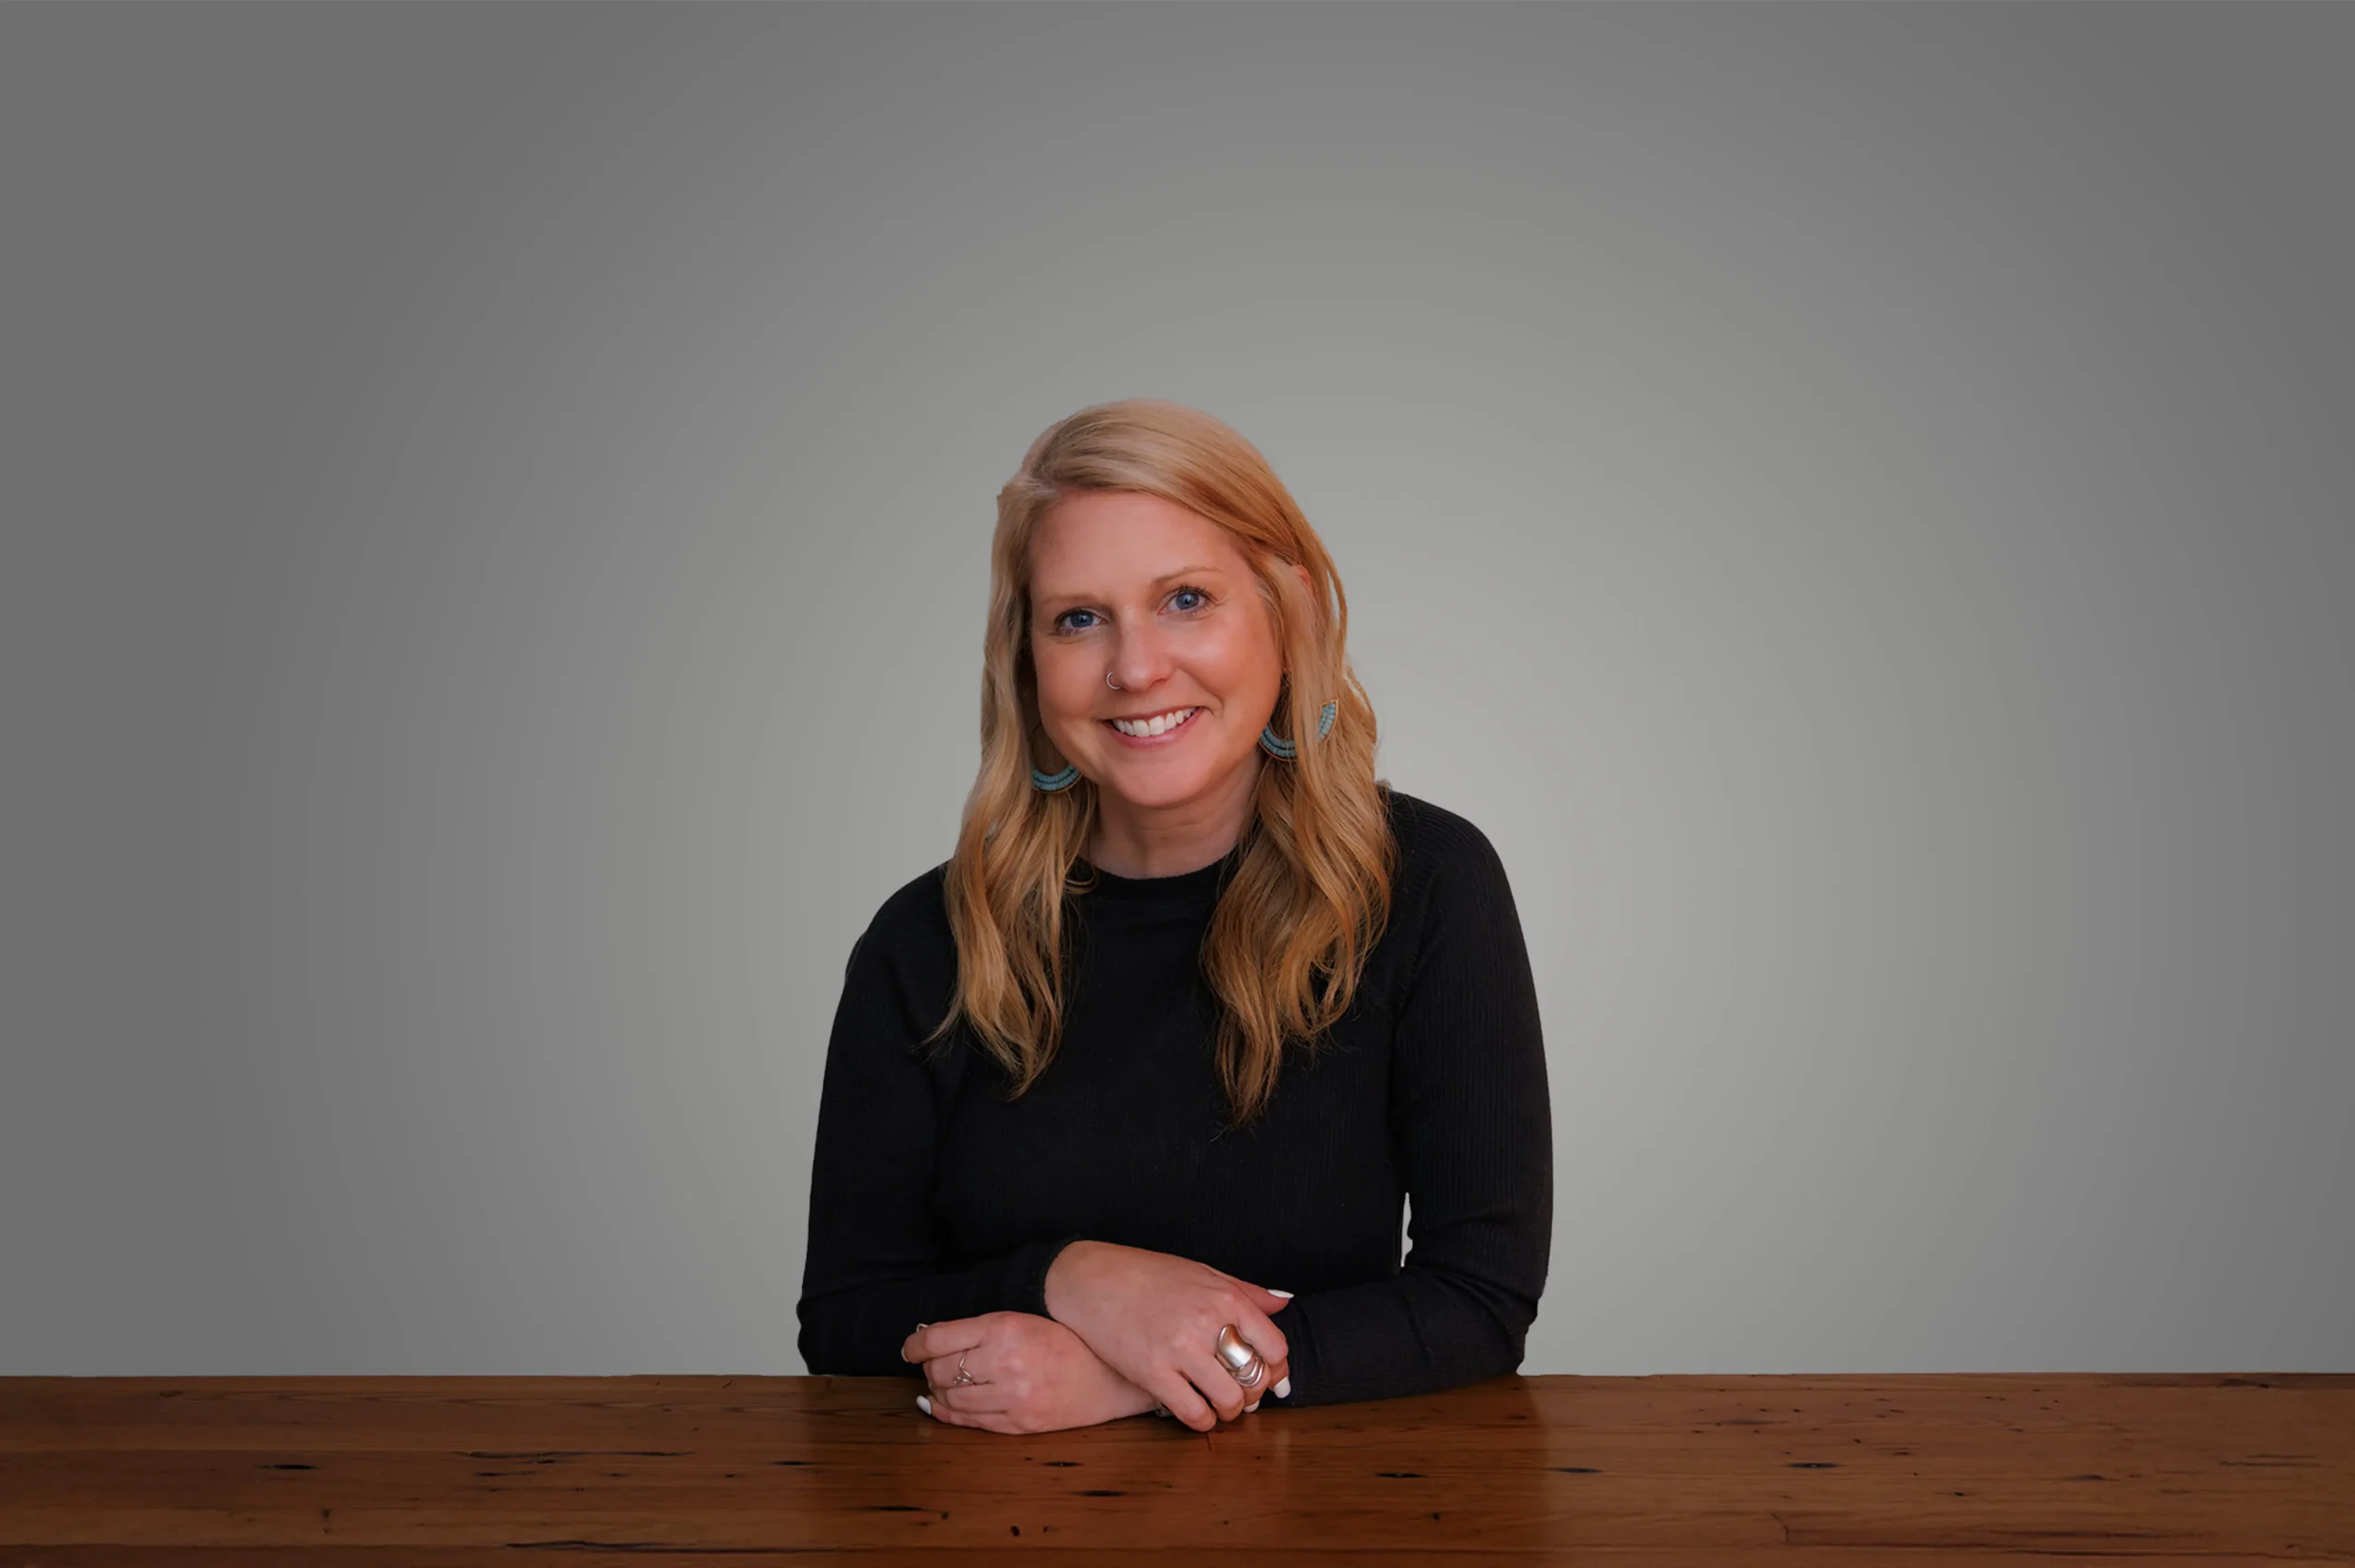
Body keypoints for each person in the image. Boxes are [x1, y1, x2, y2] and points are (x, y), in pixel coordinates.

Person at [796, 397, 1552, 1435]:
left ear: (1286, 614)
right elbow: (843, 1317)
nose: (1137, 667)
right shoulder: (924, 940)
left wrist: (1134, 1382)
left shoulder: (1424, 884)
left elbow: (1479, 1301)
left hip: (1326, 1528)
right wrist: (1073, 1278)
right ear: (1028, 662)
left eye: (1186, 599)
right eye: (1078, 617)